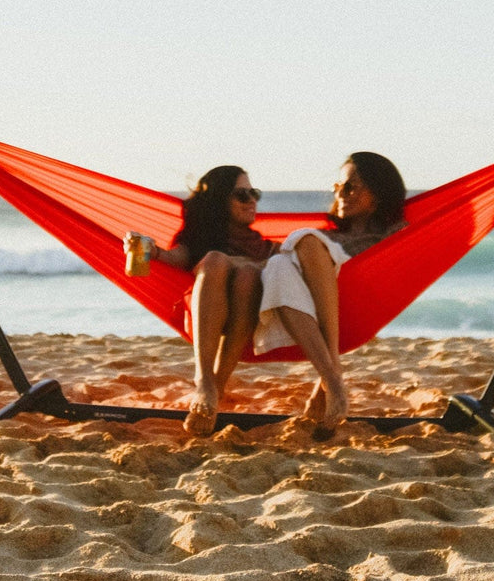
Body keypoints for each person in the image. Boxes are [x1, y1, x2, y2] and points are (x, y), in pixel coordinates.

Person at [253, 152, 406, 436]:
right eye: (338, 187)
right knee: (278, 262)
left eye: (351, 186)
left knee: (305, 241)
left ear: (379, 193)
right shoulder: (329, 236)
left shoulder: (394, 234)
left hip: (351, 295)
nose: (342, 194)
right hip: (311, 307)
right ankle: (332, 379)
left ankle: (329, 382)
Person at [125, 166, 276, 436]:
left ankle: (217, 386)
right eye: (242, 194)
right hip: (203, 314)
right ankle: (205, 381)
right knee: (215, 260)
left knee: (249, 276)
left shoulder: (263, 246)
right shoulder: (200, 239)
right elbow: (174, 257)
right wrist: (148, 248)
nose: (252, 200)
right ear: (220, 200)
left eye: (254, 193)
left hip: (247, 319)